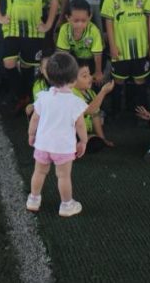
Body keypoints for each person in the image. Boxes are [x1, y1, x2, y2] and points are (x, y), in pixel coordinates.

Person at [25, 51, 87, 218]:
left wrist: (31, 135)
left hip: (42, 145)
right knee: (63, 176)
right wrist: (83, 141)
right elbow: (80, 125)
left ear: (50, 77)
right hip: (63, 148)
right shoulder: (75, 102)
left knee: (39, 172)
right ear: (74, 79)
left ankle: (33, 199)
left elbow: (35, 119)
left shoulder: (43, 97)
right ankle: (66, 205)